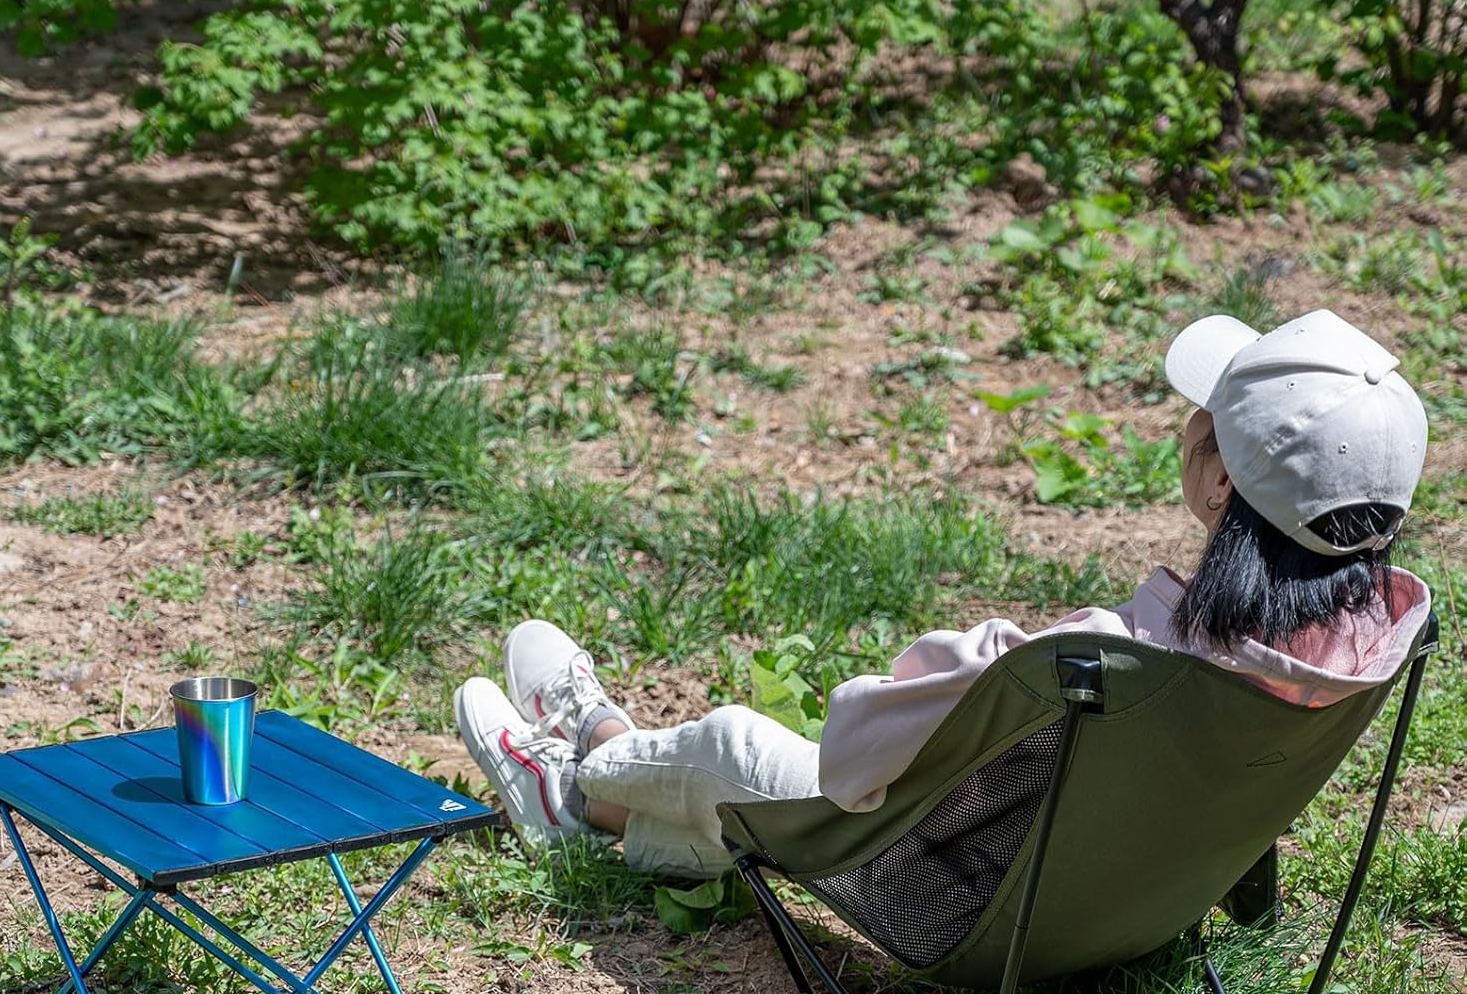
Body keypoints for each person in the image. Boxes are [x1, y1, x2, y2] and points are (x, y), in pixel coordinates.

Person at [455, 309, 1433, 879]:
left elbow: (853, 755)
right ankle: (603, 805)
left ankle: (577, 768)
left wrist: (982, 653)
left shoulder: (1110, 661)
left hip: (966, 897)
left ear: (1221, 482)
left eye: (1205, 416)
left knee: (732, 746)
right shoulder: (1364, 645)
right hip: (1133, 898)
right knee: (726, 795)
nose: (1188, 426)